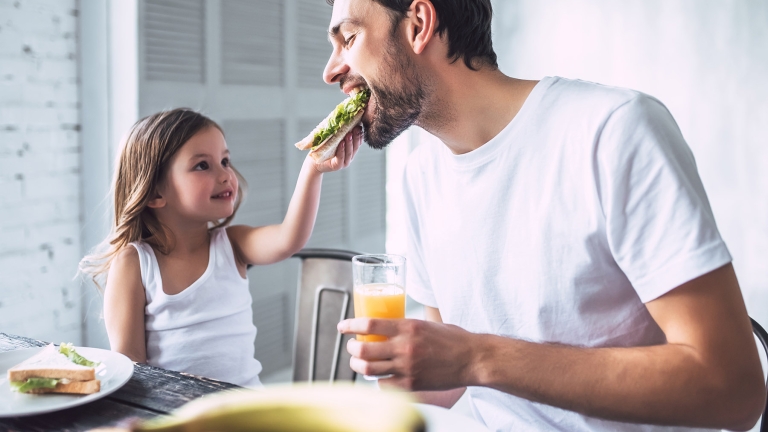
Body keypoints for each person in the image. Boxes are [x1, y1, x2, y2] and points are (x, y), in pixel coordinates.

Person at [325, 0, 765, 430]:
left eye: (348, 38)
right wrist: (399, 364)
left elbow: (733, 389)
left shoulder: (613, 130)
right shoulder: (421, 175)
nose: (331, 71)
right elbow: (443, 381)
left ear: (419, 24)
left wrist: (478, 357)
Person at [79, 108, 361, 387]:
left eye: (225, 161)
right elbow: (132, 368)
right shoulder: (134, 263)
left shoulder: (233, 244)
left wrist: (313, 168)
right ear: (155, 192)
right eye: (203, 165)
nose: (226, 175)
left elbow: (289, 238)